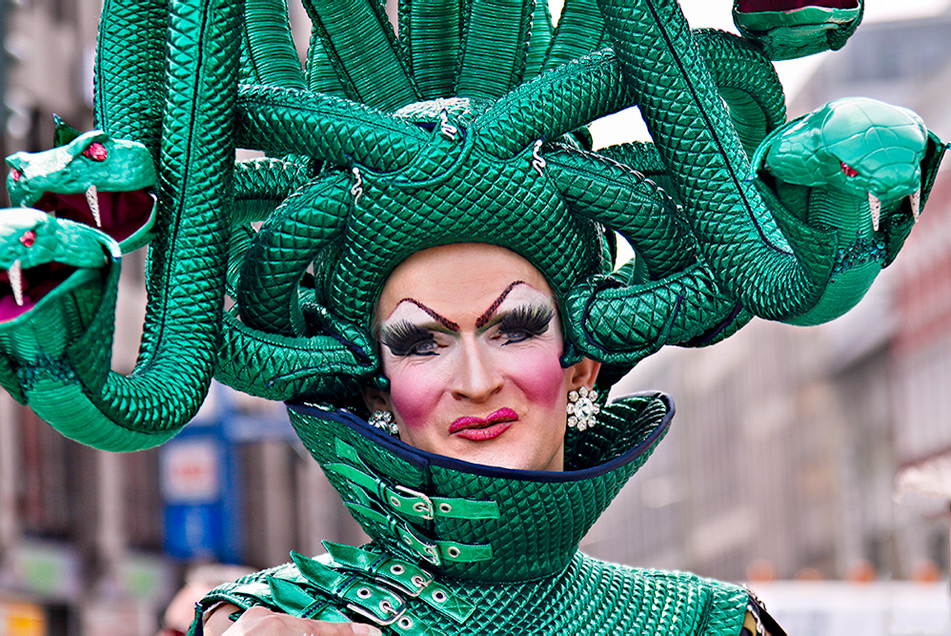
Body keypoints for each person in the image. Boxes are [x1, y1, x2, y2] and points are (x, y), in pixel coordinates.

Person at [0, 0, 941, 634]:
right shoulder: (274, 625)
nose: (475, 376)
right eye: (420, 339)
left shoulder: (700, 624)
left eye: (514, 325)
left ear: (579, 364)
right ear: (378, 380)